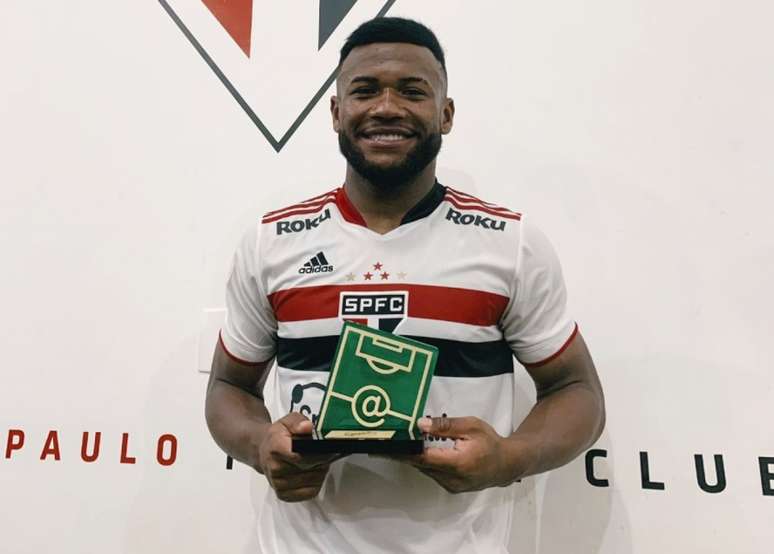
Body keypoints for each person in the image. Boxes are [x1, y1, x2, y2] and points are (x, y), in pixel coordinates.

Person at [206, 16, 605, 554]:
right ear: (336, 112)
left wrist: (510, 459)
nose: (386, 107)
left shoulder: (510, 244)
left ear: (445, 114)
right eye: (365, 90)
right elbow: (229, 387)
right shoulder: (272, 241)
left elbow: (577, 391)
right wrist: (261, 446)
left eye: (412, 91)